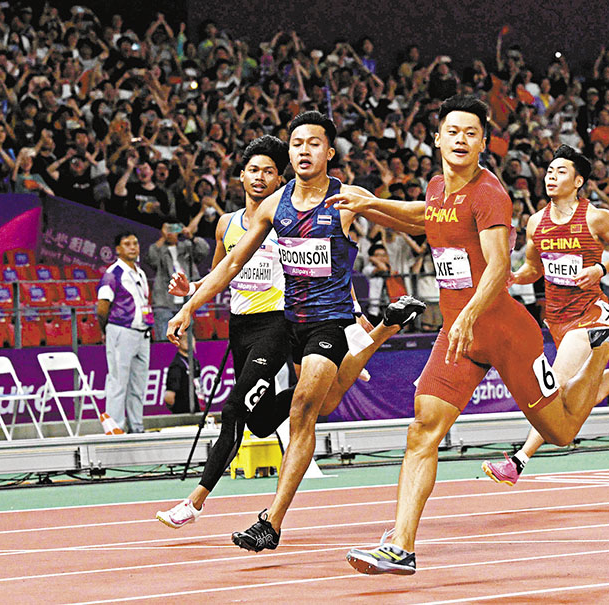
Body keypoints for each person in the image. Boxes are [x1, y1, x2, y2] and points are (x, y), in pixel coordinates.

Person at [329, 95, 609, 576]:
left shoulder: (490, 194)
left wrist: (467, 315)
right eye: (453, 131)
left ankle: (602, 351)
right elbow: (423, 216)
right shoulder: (438, 187)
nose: (461, 139)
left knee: (559, 433)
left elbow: (498, 267)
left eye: (471, 133)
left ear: (482, 143)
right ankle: (401, 547)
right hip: (460, 335)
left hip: (504, 332)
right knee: (422, 429)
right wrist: (370, 204)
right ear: (437, 138)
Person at [161, 120, 426, 543]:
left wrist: (451, 210)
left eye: (314, 144)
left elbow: (414, 223)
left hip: (327, 323)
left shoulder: (346, 199)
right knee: (323, 402)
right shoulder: (274, 206)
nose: (304, 150)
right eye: (297, 144)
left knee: (303, 410)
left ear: (329, 153)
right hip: (290, 324)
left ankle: (270, 523)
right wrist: (188, 306)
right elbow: (231, 264)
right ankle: (386, 327)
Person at [481, 145, 609, 487]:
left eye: (560, 172)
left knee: (556, 386)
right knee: (586, 393)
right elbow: (534, 268)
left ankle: (518, 461)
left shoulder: (595, 218)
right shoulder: (536, 222)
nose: (551, 177)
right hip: (556, 319)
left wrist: (600, 269)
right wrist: (514, 277)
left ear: (578, 181)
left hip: (592, 315)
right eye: (549, 171)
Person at [96, 232, 152, 433]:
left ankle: (136, 426)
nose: (133, 247)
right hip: (121, 330)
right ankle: (114, 428)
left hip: (142, 332)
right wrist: (107, 329)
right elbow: (102, 307)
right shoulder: (113, 273)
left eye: (135, 243)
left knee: (138, 384)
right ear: (118, 249)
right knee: (118, 381)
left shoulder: (140, 273)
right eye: (127, 244)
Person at [145, 221, 210, 340]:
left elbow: (204, 250)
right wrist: (163, 237)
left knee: (188, 338)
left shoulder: (186, 246)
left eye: (173, 229)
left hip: (187, 299)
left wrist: (190, 236)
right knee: (164, 338)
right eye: (168, 229)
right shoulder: (159, 249)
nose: (171, 232)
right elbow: (151, 258)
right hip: (164, 301)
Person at [163, 334, 203, 414]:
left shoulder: (195, 363)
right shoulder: (176, 366)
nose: (188, 341)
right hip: (182, 412)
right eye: (184, 339)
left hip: (197, 411)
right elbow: (169, 397)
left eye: (191, 338)